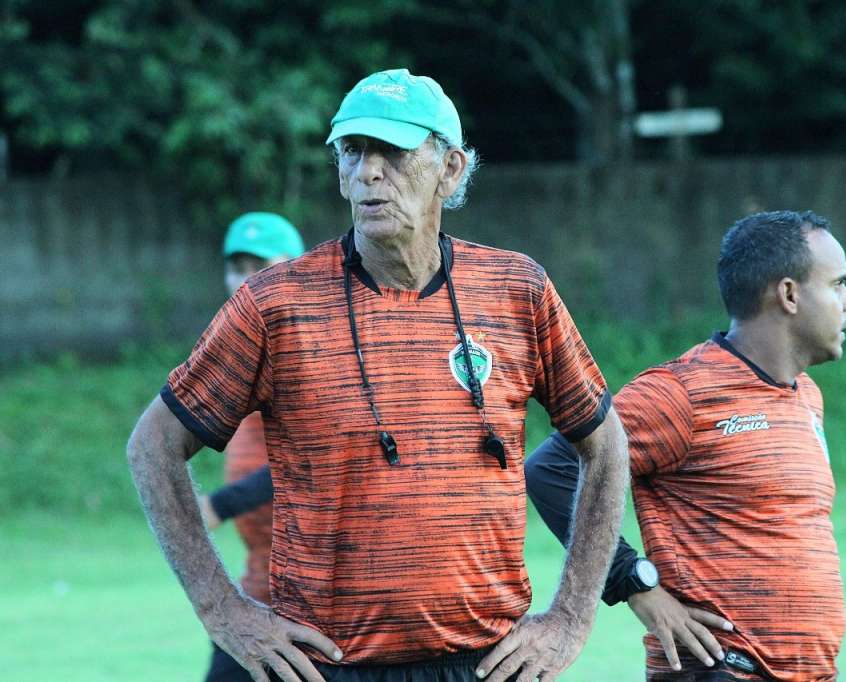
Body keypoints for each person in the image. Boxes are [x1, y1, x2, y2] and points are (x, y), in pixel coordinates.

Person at [127, 68, 629, 682]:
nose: (368, 171)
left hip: (489, 664)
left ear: (450, 169)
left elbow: (605, 445)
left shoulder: (517, 290)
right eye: (353, 151)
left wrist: (572, 616)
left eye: (392, 151)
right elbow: (153, 444)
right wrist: (221, 610)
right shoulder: (275, 305)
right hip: (327, 664)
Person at [526, 210, 846, 681]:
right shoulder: (681, 393)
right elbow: (553, 468)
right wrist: (633, 581)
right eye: (838, 284)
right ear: (788, 294)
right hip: (719, 670)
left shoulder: (806, 395)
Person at [197, 212, 306, 682]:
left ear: (294, 267)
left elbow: (312, 459)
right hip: (260, 586)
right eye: (237, 267)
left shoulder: (306, 347)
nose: (246, 279)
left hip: (316, 597)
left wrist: (221, 505)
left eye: (260, 265)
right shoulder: (240, 349)